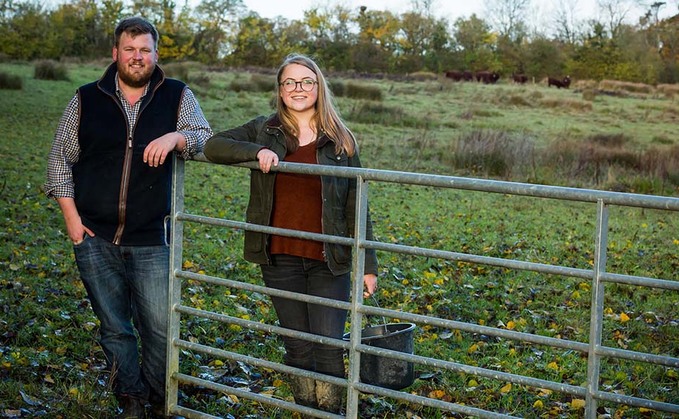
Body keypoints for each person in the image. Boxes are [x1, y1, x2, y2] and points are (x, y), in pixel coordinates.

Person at [44, 16, 212, 419]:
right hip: (94, 235)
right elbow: (59, 159)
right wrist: (71, 218)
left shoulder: (176, 95)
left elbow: (206, 138)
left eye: (145, 50)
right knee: (115, 327)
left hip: (151, 237)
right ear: (115, 53)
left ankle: (159, 400)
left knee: (158, 327)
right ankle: (131, 398)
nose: (138, 57)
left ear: (156, 54)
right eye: (130, 49)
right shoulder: (86, 97)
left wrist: (177, 137)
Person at [203, 53, 378, 414]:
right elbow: (213, 145)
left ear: (318, 87)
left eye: (306, 82)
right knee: (297, 344)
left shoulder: (340, 140)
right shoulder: (265, 129)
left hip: (329, 257)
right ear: (281, 90)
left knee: (328, 343)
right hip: (279, 255)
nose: (298, 89)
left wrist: (368, 264)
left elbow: (357, 203)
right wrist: (257, 151)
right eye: (290, 83)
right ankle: (307, 408)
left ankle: (330, 412)